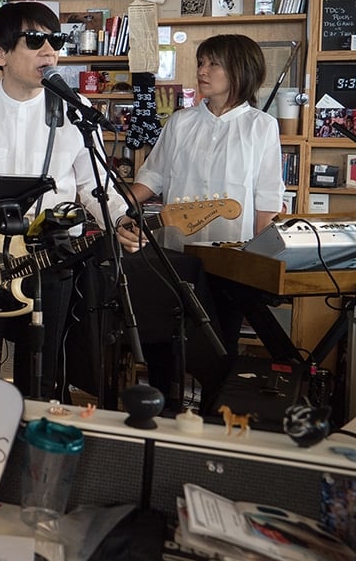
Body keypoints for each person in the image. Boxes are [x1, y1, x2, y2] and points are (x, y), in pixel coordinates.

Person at [0, 1, 129, 400]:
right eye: (35, 41)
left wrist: (120, 219)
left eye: (55, 40)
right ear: (0, 53)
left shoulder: (75, 111)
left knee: (43, 380)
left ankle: (33, 458)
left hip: (51, 260)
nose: (50, 51)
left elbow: (94, 187)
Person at [119, 34, 284, 398]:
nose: (202, 71)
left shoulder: (261, 127)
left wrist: (260, 264)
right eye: (201, 62)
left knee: (217, 344)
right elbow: (153, 177)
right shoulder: (180, 121)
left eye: (213, 64)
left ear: (240, 70)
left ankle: (210, 421)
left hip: (230, 259)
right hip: (173, 253)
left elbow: (267, 200)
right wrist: (112, 208)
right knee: (164, 339)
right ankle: (162, 411)